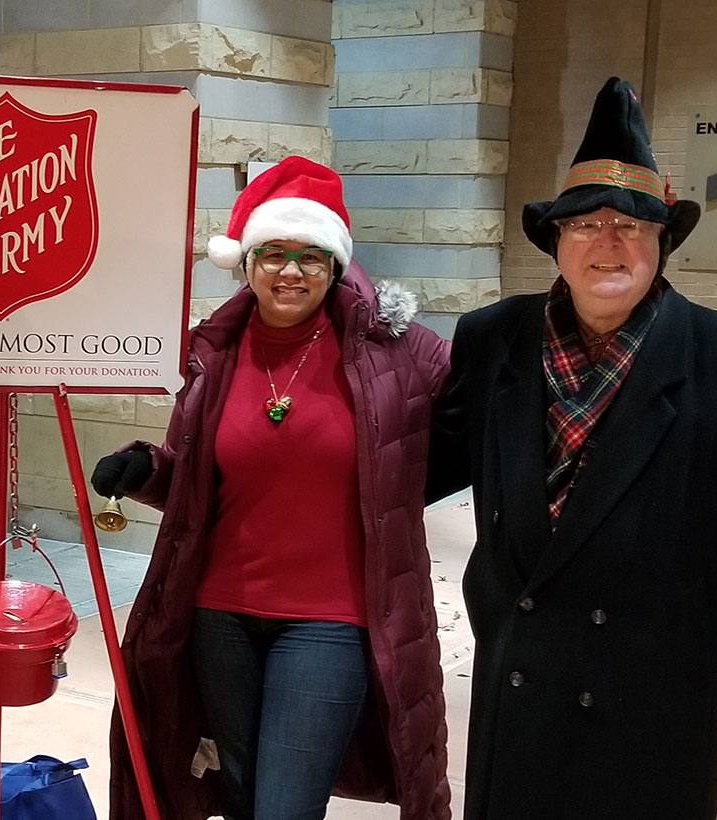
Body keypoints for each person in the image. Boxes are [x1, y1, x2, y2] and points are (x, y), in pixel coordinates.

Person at [427, 77, 717, 820]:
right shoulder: (494, 339)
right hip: (522, 664)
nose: (608, 242)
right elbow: (423, 463)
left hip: (654, 680)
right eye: (585, 224)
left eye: (631, 225)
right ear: (555, 241)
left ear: (662, 242)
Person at [91, 156, 453, 820]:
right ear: (248, 260)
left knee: (284, 807)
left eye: (311, 256)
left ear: (337, 266)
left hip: (331, 621)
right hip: (218, 614)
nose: (292, 271)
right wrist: (146, 470)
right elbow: (197, 478)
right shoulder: (213, 356)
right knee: (242, 793)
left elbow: (475, 428)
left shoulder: (401, 356)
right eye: (276, 253)